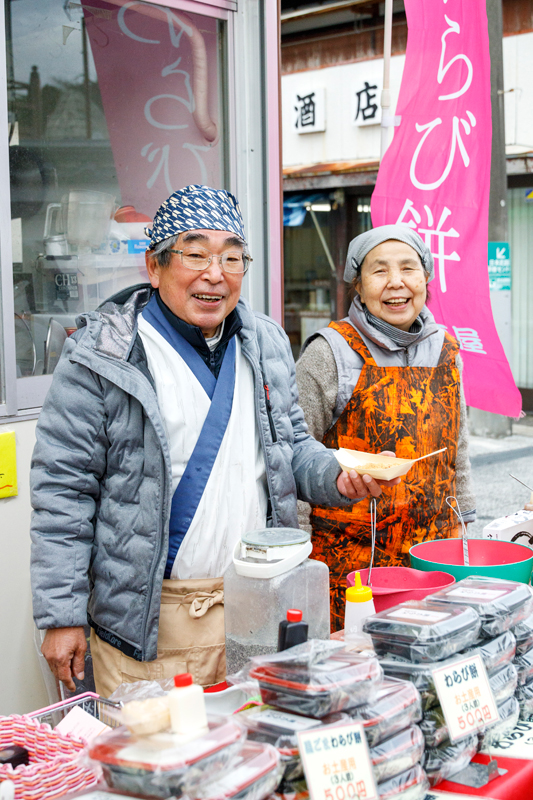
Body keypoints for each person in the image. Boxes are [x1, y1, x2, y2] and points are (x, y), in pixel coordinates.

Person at [30, 185, 399, 697]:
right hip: (151, 625)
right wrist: (61, 615)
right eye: (196, 253)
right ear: (154, 266)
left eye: (231, 256)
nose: (215, 273)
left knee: (255, 759)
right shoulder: (103, 355)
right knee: (159, 770)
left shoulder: (264, 340)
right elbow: (63, 491)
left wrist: (336, 473)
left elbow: (289, 444)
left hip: (258, 605)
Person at [296, 224, 476, 630]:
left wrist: (467, 528)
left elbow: (457, 452)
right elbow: (293, 454)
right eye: (379, 271)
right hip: (351, 566)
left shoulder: (447, 350)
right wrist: (297, 555)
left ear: (426, 279)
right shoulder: (330, 353)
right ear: (357, 285)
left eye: (408, 268)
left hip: (435, 557)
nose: (396, 283)